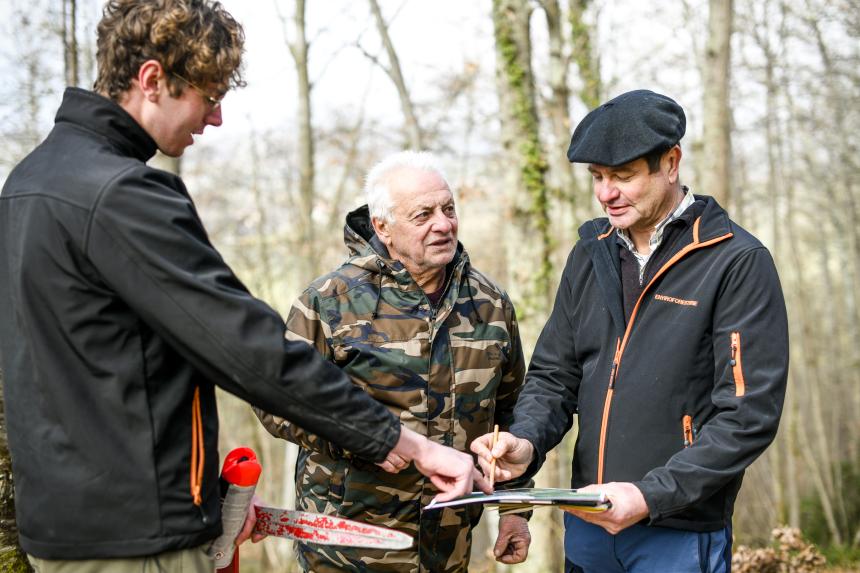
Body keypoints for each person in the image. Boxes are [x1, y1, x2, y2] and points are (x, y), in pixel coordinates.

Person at [0, 2, 487, 572]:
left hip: (69, 524)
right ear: (152, 80)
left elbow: (107, 371)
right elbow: (250, 350)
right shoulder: (122, 197)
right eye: (208, 97)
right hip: (138, 543)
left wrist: (205, 495)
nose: (216, 119)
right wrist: (410, 445)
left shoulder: (29, 183)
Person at [471, 89, 789, 573]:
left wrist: (648, 495)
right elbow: (554, 375)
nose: (606, 193)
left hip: (677, 532)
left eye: (623, 176)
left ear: (672, 162)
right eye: (597, 177)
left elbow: (748, 416)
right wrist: (526, 443)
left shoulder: (736, 262)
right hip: (586, 522)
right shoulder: (590, 253)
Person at [255, 150, 532, 572]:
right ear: (383, 227)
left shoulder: (488, 303)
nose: (443, 224)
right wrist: (365, 437)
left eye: (448, 209)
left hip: (449, 545)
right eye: (423, 215)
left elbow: (512, 414)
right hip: (347, 547)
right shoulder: (330, 302)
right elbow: (274, 403)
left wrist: (515, 509)